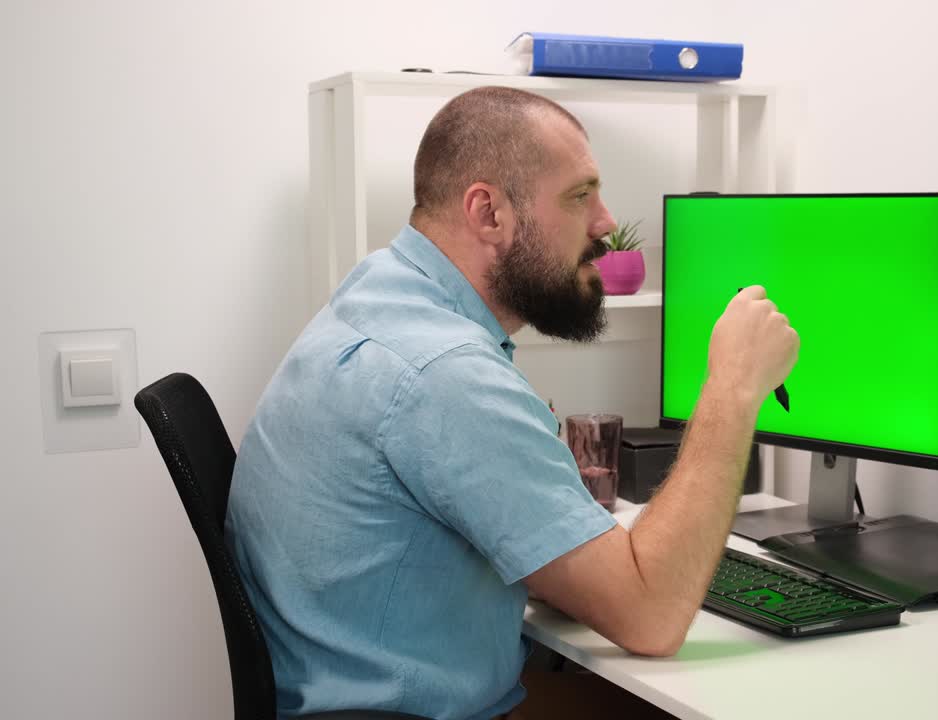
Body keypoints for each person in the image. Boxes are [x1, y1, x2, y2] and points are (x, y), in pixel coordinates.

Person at [225, 86, 799, 720]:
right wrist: (733, 386)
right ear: (488, 213)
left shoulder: (382, 294)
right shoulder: (446, 375)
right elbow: (652, 616)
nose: (607, 222)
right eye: (581, 196)